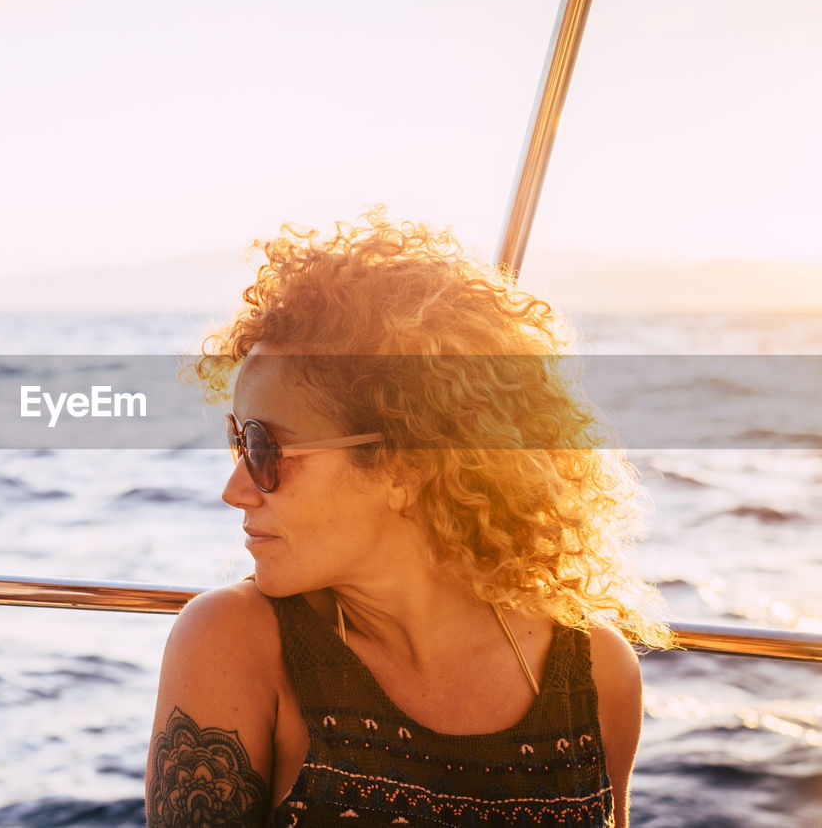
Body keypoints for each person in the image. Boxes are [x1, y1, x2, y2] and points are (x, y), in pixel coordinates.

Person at [145, 209, 672, 827]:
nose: (235, 490)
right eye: (239, 443)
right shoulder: (236, 641)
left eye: (265, 450)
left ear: (406, 466)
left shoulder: (596, 675)